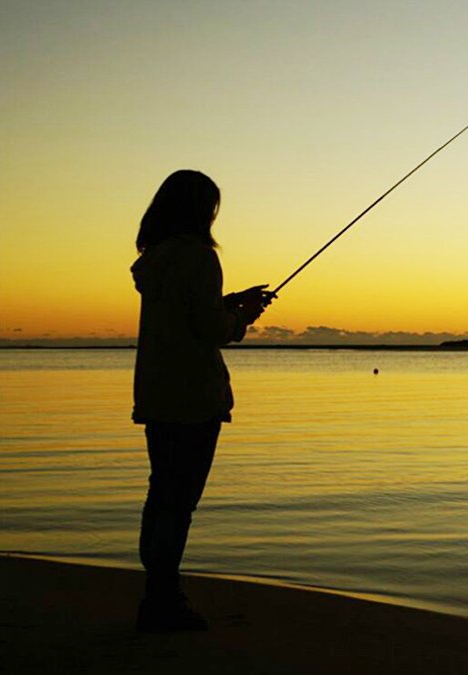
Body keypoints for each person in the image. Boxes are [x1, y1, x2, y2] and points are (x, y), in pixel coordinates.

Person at [130, 169, 272, 632]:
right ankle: (163, 601)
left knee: (161, 494)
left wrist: (228, 299)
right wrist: (242, 319)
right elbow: (212, 329)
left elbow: (185, 307)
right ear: (201, 211)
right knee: (179, 501)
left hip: (157, 394)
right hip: (194, 396)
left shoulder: (156, 259)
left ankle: (156, 593)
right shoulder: (199, 256)